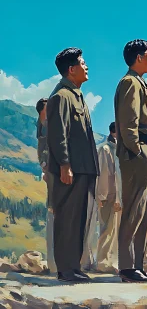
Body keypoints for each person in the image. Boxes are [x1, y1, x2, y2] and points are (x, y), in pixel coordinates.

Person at [46, 47, 99, 282]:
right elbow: (58, 134)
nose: (86, 66)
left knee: (78, 220)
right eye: (83, 63)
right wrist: (65, 164)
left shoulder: (77, 95)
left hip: (84, 168)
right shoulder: (61, 97)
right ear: (71, 69)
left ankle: (73, 266)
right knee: (67, 219)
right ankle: (66, 269)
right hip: (72, 169)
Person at [114, 39, 147, 283]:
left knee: (144, 211)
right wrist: (138, 152)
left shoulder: (140, 83)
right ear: (139, 57)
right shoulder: (130, 82)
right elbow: (128, 122)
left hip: (146, 149)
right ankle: (127, 266)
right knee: (134, 210)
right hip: (139, 151)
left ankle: (137, 265)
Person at [94, 122, 123, 274]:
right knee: (106, 230)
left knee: (115, 230)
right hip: (109, 195)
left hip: (117, 195)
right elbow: (104, 173)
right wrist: (102, 196)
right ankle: (102, 262)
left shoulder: (118, 149)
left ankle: (112, 262)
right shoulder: (105, 149)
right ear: (114, 132)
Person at [36, 98, 56, 274]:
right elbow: (42, 149)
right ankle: (53, 263)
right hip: (53, 172)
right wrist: (44, 166)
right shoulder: (44, 125)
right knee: (53, 211)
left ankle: (54, 263)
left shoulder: (43, 125)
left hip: (51, 170)